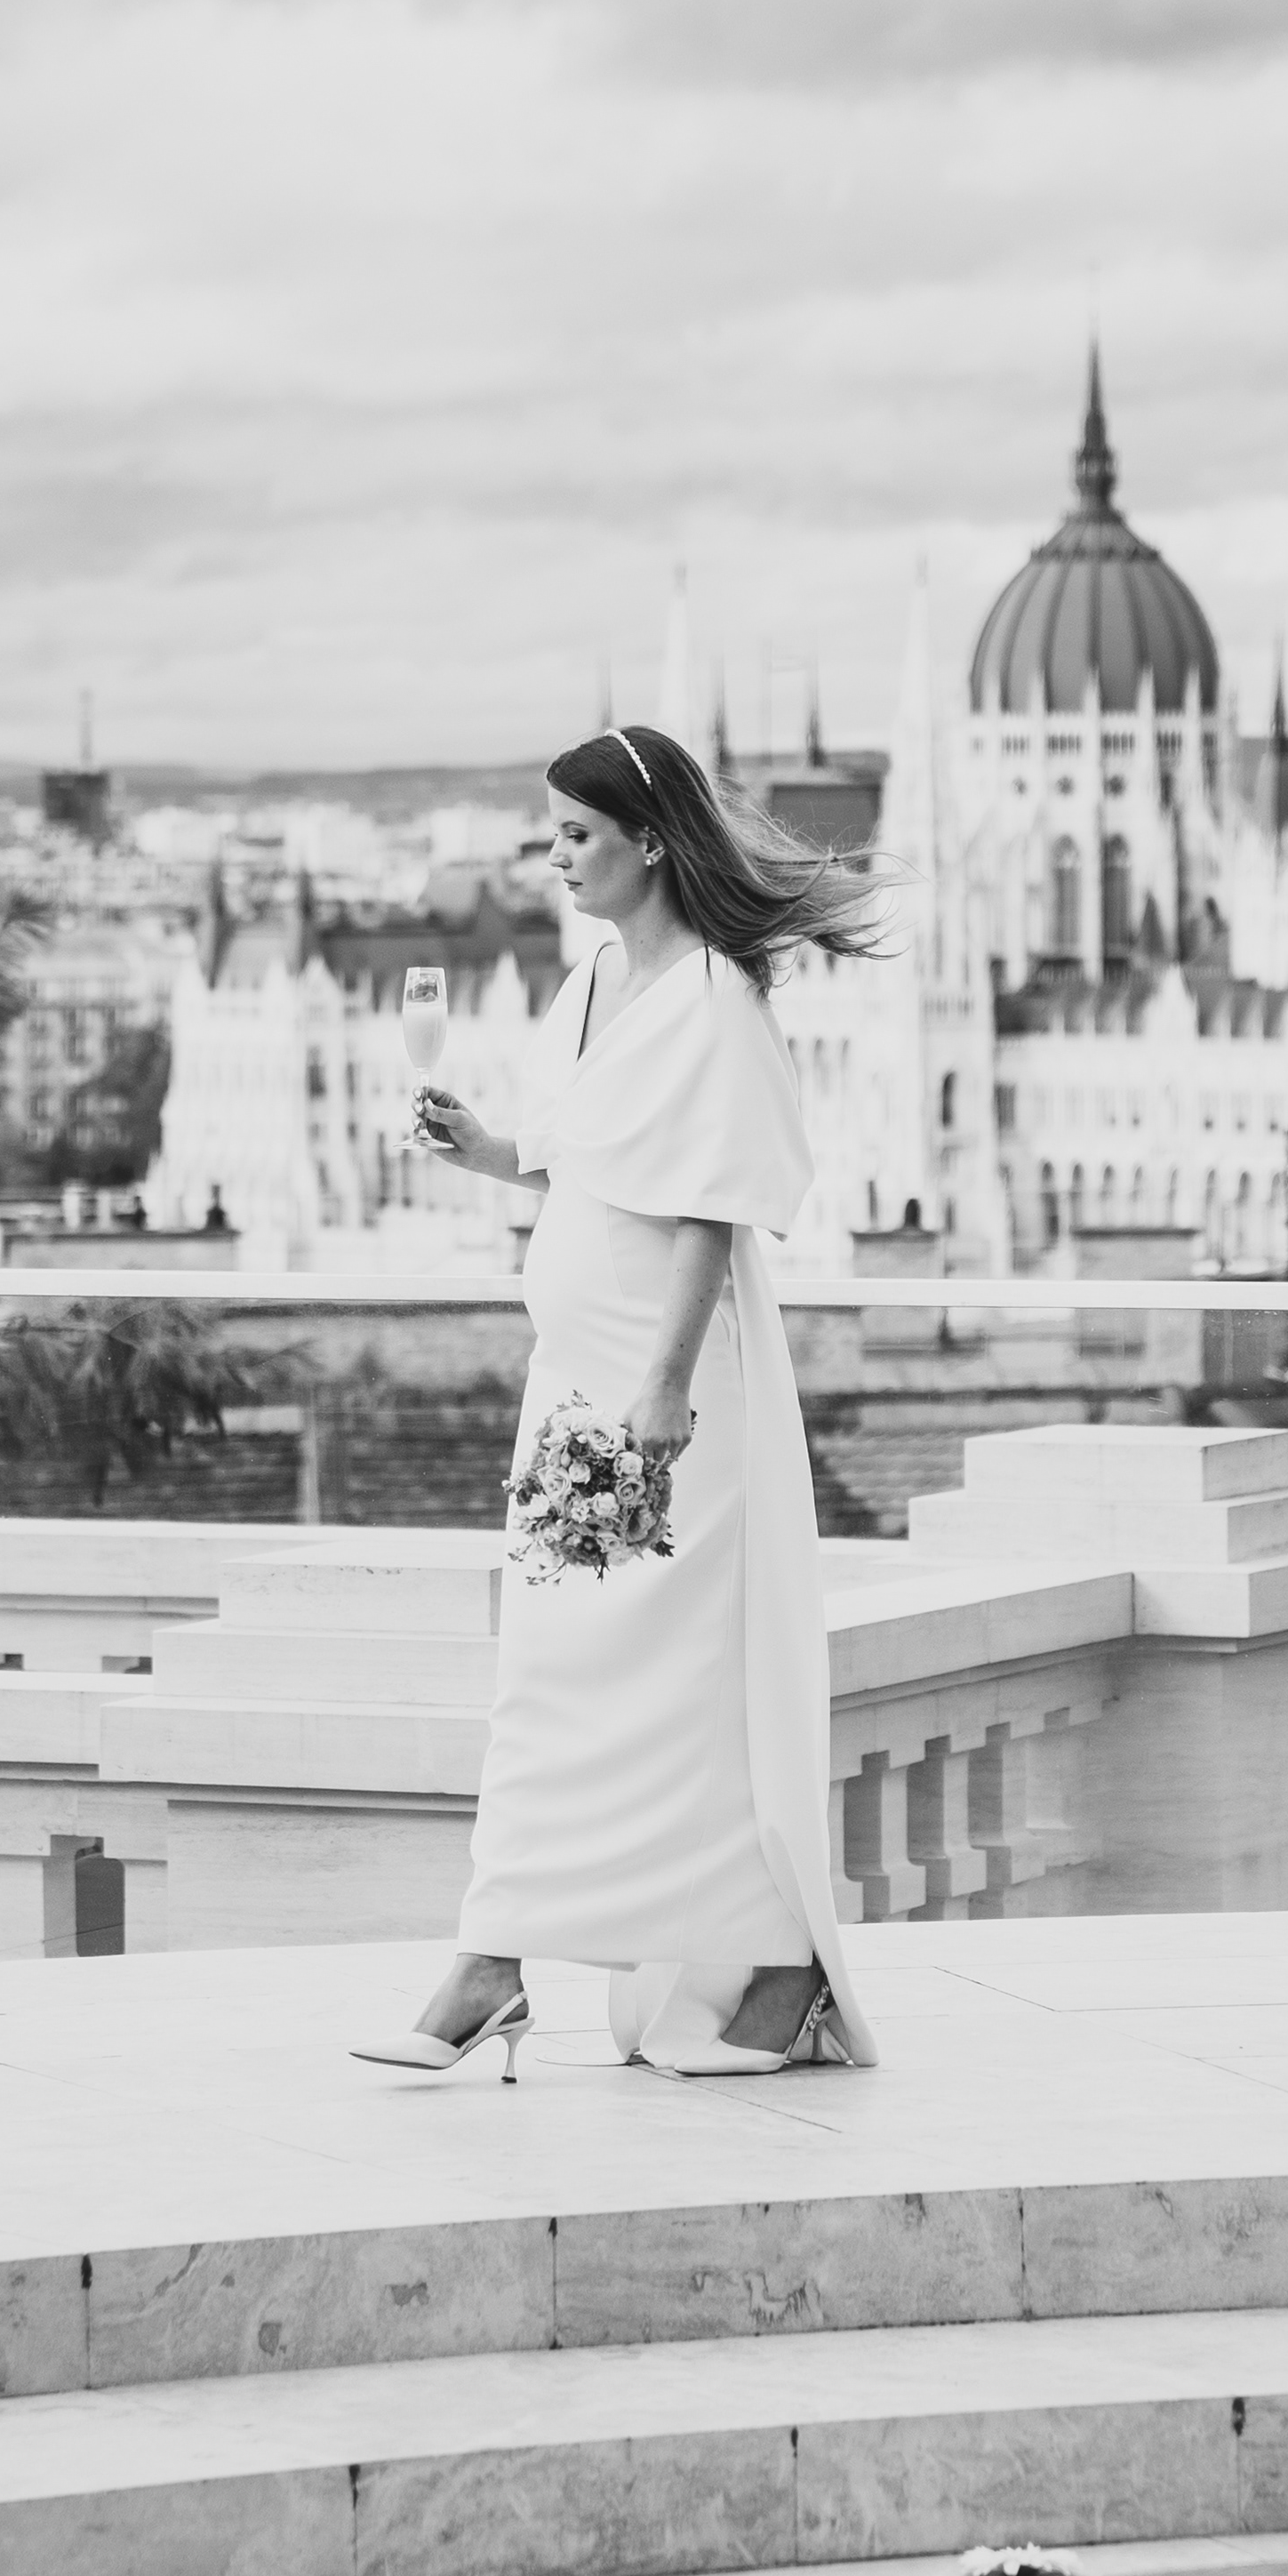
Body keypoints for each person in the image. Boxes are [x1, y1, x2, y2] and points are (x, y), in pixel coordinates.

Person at [355, 724, 884, 2082]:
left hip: (664, 1396)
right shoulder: (594, 981)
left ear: (649, 842)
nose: (556, 857)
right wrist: (490, 1152)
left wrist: (663, 1387)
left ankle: (764, 1961)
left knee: (686, 1682)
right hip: (574, 1382)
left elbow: (712, 1204)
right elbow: (592, 1159)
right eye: (552, 834)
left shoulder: (715, 998)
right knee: (549, 1672)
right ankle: (499, 1960)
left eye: (577, 834)